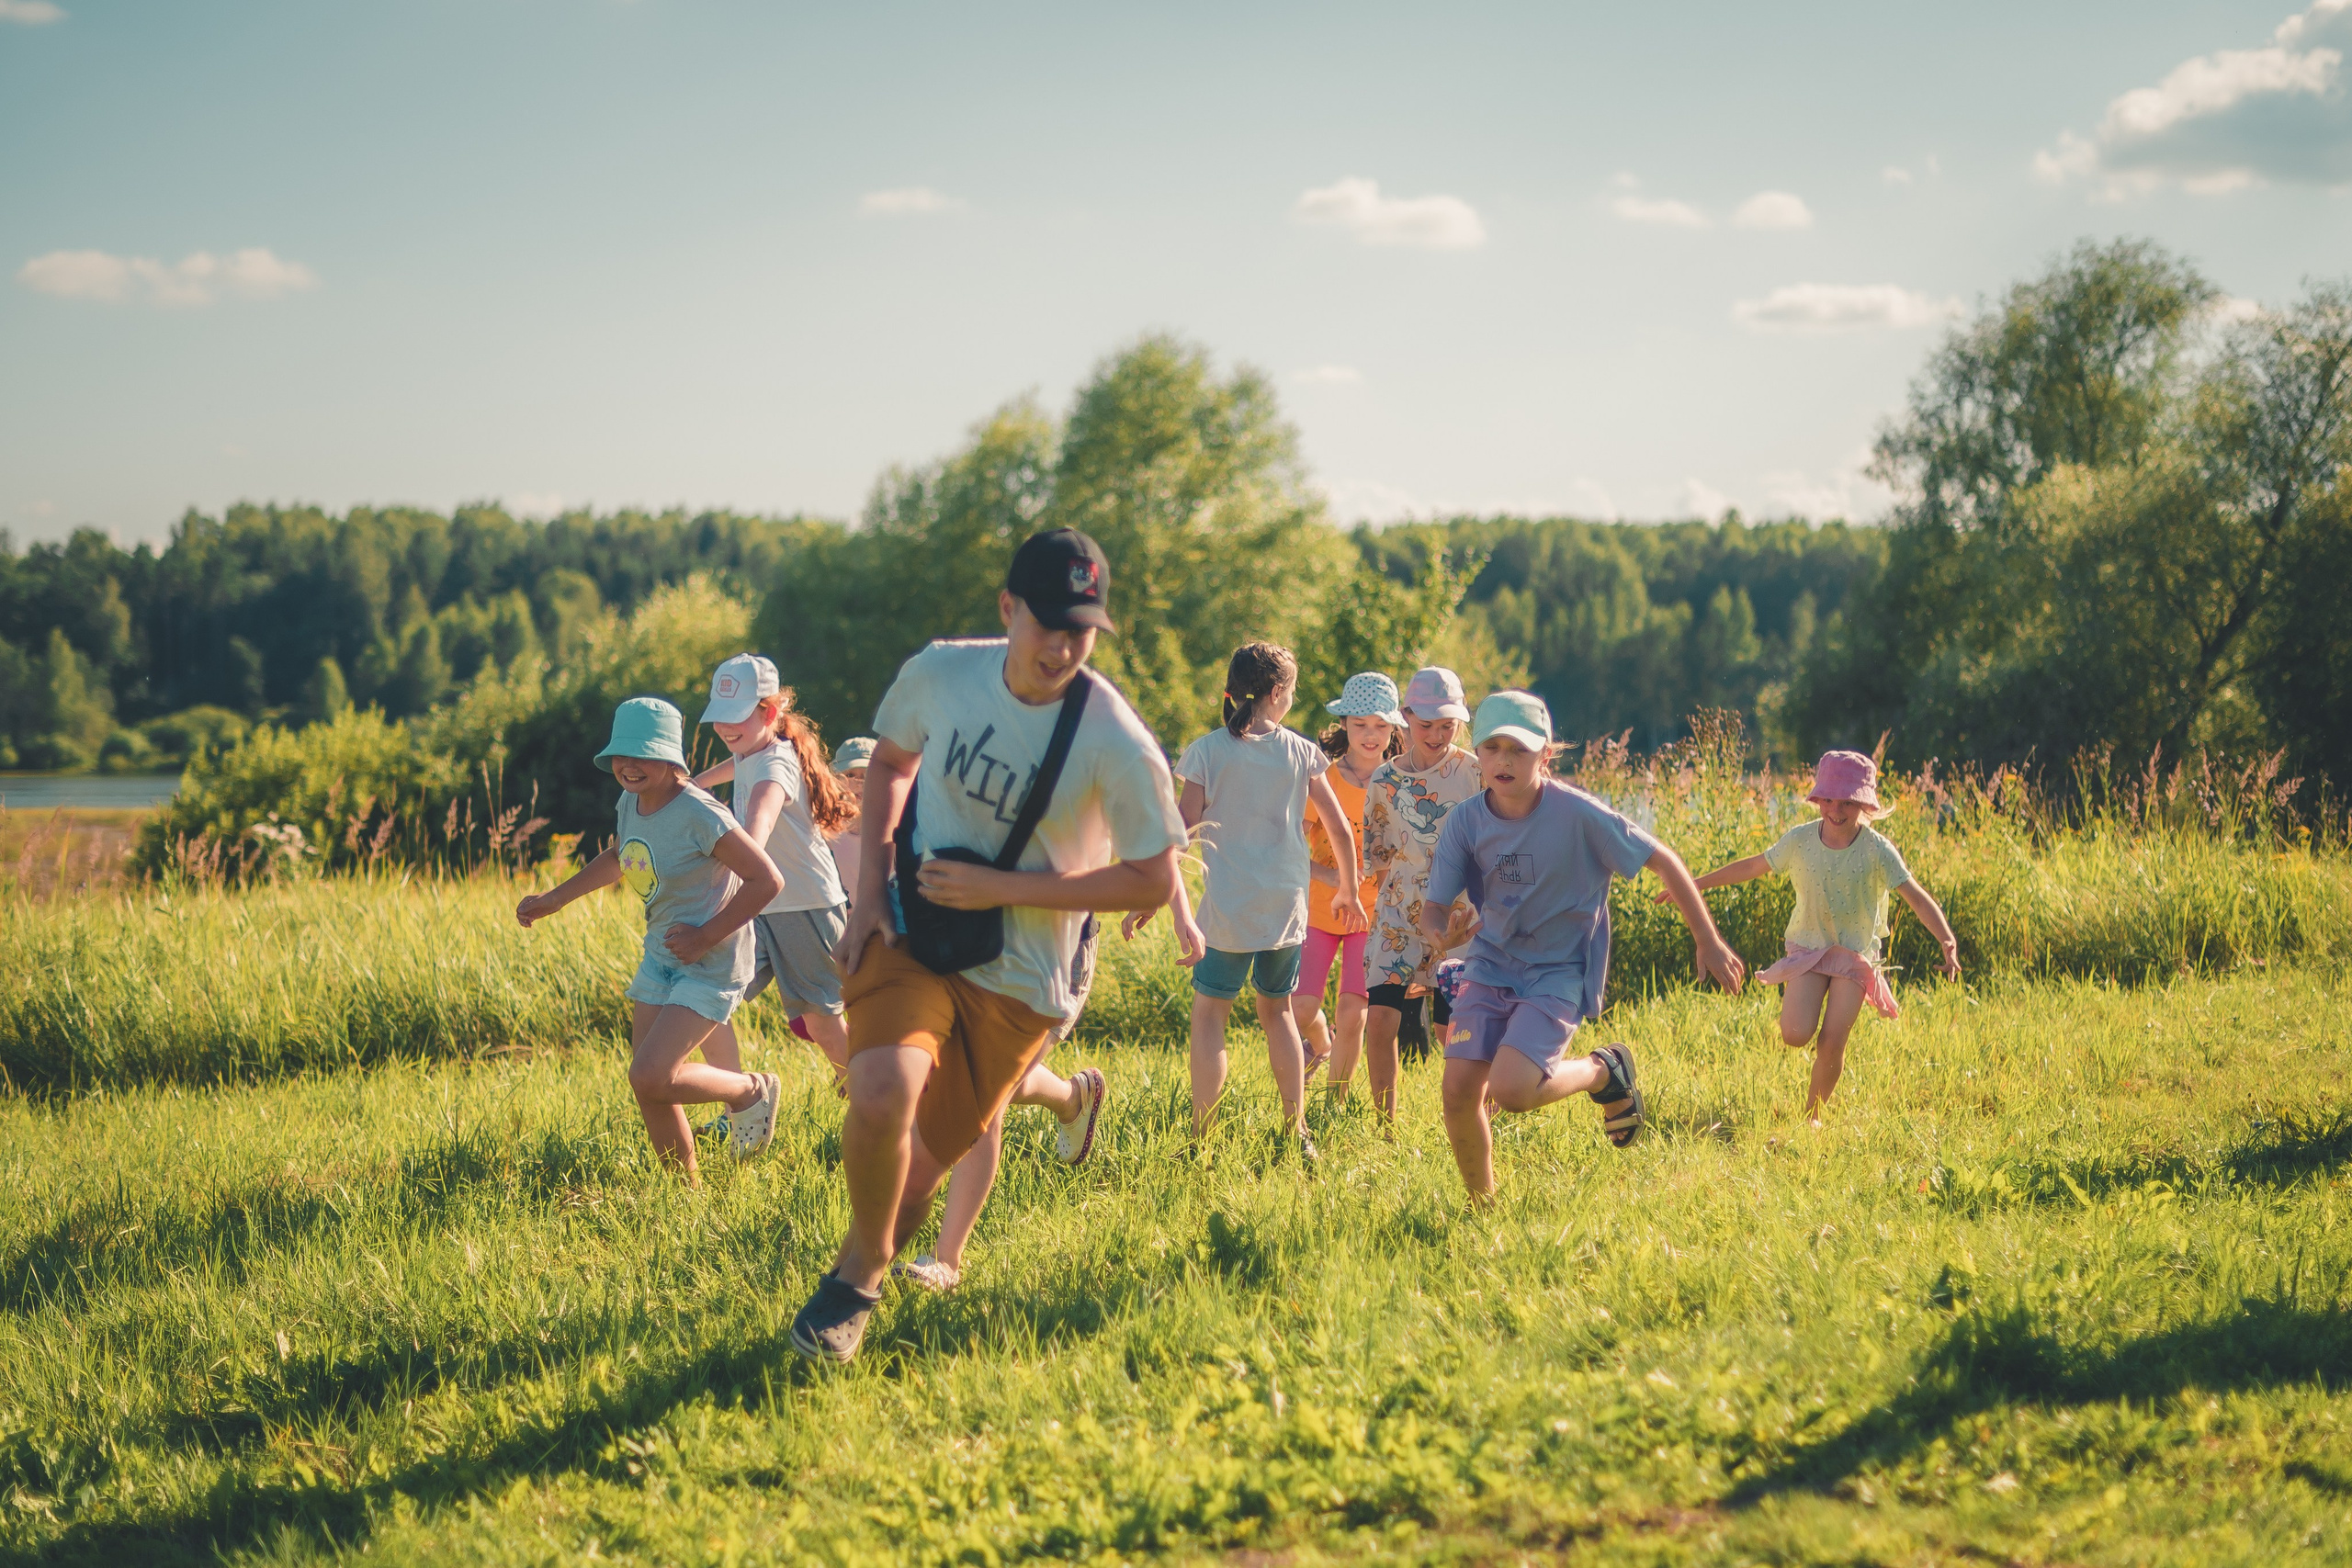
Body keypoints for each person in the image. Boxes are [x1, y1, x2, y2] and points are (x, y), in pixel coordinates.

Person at [790, 528, 1182, 1363]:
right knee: (881, 1087)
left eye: (1081, 630)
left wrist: (1006, 888)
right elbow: (890, 764)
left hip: (1024, 979)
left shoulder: (1114, 738)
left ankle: (871, 1258)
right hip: (913, 924)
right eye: (1047, 623)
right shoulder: (942, 674)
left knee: (920, 1170)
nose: (1062, 647)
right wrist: (870, 889)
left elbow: (1153, 878)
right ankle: (856, 1279)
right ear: (1008, 609)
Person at [1424, 691, 1747, 1200]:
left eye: (1520, 749)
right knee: (1458, 1089)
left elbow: (1663, 860)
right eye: (1492, 747)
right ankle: (1482, 1209)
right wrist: (1440, 934)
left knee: (1511, 1089)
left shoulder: (1578, 814)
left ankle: (1601, 1070)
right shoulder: (1465, 820)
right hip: (1487, 965)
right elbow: (1434, 909)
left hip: (1558, 971)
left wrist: (1708, 940)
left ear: (1546, 755)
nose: (1504, 760)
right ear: (1476, 751)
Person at [514, 697, 786, 1181]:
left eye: (643, 755)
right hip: (661, 955)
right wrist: (555, 899)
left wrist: (704, 936)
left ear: (670, 758)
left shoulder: (701, 813)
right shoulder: (631, 802)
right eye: (621, 755)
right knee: (650, 1084)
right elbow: (620, 857)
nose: (629, 765)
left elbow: (767, 880)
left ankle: (748, 1092)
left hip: (713, 959)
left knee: (651, 1074)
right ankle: (683, 1193)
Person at [1133, 642, 1364, 1159]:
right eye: (1293, 691)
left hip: (1229, 909)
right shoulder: (1302, 752)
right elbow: (1340, 829)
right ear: (1277, 693)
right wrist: (1347, 890)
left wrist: (1151, 894)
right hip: (1285, 907)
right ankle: (1296, 1129)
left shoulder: (1206, 751)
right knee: (1277, 1012)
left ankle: (1202, 1138)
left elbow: (1180, 835)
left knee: (1210, 1015)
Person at [1677, 749, 1960, 1122]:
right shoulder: (1800, 840)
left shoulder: (1878, 850)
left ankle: (1813, 1116)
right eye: (1828, 800)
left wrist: (1946, 939)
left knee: (1831, 1041)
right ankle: (1809, 1083)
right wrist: (1694, 884)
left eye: (1848, 802)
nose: (1836, 810)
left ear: (1865, 805)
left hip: (1855, 956)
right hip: (1809, 949)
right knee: (1794, 1033)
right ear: (1817, 798)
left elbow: (1917, 898)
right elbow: (1753, 866)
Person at [692, 656, 857, 1082]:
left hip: (806, 908)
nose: (725, 727)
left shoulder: (775, 765)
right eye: (720, 716)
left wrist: (727, 862)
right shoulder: (750, 748)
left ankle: (873, 1097)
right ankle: (743, 1102)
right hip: (762, 905)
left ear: (769, 712)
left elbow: (757, 828)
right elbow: (736, 765)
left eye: (736, 715)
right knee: (704, 991)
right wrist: (691, 787)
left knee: (821, 1023)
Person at [1360, 665, 1484, 1120]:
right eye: (1426, 724)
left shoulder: (1475, 773)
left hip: (1460, 917)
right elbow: (1380, 856)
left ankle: (1474, 1117)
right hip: (1398, 914)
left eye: (1447, 725)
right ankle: (1384, 1127)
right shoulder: (1383, 781)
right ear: (1406, 716)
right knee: (1381, 1020)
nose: (1436, 735)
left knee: (1453, 1031)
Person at [1294, 671, 1401, 1107]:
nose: (1370, 735)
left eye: (1380, 725)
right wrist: (1334, 879)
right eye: (1360, 724)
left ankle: (1333, 1105)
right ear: (1343, 725)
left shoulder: (1399, 783)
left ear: (1394, 728)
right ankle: (1321, 1045)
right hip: (1319, 910)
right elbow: (1292, 849)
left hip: (1372, 916)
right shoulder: (1325, 779)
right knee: (1301, 1008)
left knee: (1354, 1014)